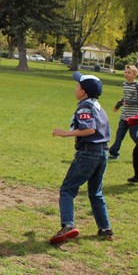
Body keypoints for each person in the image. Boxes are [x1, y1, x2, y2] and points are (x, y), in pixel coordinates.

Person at [50, 72, 113, 244]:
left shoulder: (85, 107)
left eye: (77, 86)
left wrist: (65, 134)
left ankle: (68, 225)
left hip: (89, 153)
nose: (75, 88)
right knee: (96, 193)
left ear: (84, 92)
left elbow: (90, 129)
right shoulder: (99, 107)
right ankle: (105, 229)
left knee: (67, 189)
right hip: (102, 153)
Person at [108, 65, 138, 161]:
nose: (126, 74)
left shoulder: (137, 85)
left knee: (134, 135)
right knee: (119, 135)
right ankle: (114, 153)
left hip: (135, 115)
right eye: (125, 72)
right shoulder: (125, 84)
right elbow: (125, 98)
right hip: (124, 115)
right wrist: (118, 105)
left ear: (135, 75)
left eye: (129, 73)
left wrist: (130, 102)